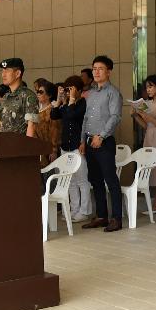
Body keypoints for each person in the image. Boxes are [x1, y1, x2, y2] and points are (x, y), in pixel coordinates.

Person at [80, 56, 123, 233]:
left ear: (108, 71)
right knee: (95, 180)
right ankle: (101, 216)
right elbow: (86, 118)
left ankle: (117, 218)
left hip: (104, 142)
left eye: (100, 68)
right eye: (94, 68)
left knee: (110, 180)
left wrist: (102, 136)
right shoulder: (90, 94)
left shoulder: (113, 92)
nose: (96, 72)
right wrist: (82, 140)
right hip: (89, 142)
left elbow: (115, 117)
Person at [51, 76, 91, 222]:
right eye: (67, 90)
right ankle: (74, 210)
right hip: (65, 147)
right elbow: (54, 115)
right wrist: (59, 99)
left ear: (79, 90)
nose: (69, 92)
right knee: (71, 181)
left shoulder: (83, 103)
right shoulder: (67, 104)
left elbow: (73, 115)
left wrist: (72, 101)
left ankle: (85, 211)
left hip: (77, 146)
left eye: (71, 89)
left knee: (82, 180)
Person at [131, 75, 156, 213]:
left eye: (151, 86)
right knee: (151, 171)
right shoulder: (147, 103)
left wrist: (148, 117)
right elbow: (147, 126)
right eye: (146, 87)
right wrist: (136, 116)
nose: (148, 90)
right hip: (149, 137)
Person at [0, 58, 38, 137]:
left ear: (18, 73)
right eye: (2, 71)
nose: (3, 74)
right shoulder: (6, 96)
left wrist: (27, 147)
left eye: (7, 71)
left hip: (19, 145)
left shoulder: (28, 95)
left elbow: (32, 126)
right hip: (4, 144)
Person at [34, 78, 61, 167]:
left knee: (50, 176)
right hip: (37, 149)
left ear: (49, 95)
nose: (38, 94)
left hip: (48, 150)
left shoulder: (53, 110)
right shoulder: (36, 110)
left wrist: (54, 150)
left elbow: (55, 130)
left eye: (41, 92)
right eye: (37, 91)